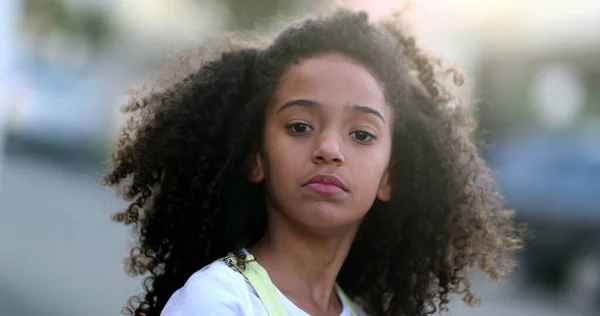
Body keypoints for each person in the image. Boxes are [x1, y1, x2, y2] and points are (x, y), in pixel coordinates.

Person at [105, 7, 522, 316]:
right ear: (255, 158)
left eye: (361, 134)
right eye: (300, 126)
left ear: (390, 176)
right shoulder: (217, 301)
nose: (329, 149)